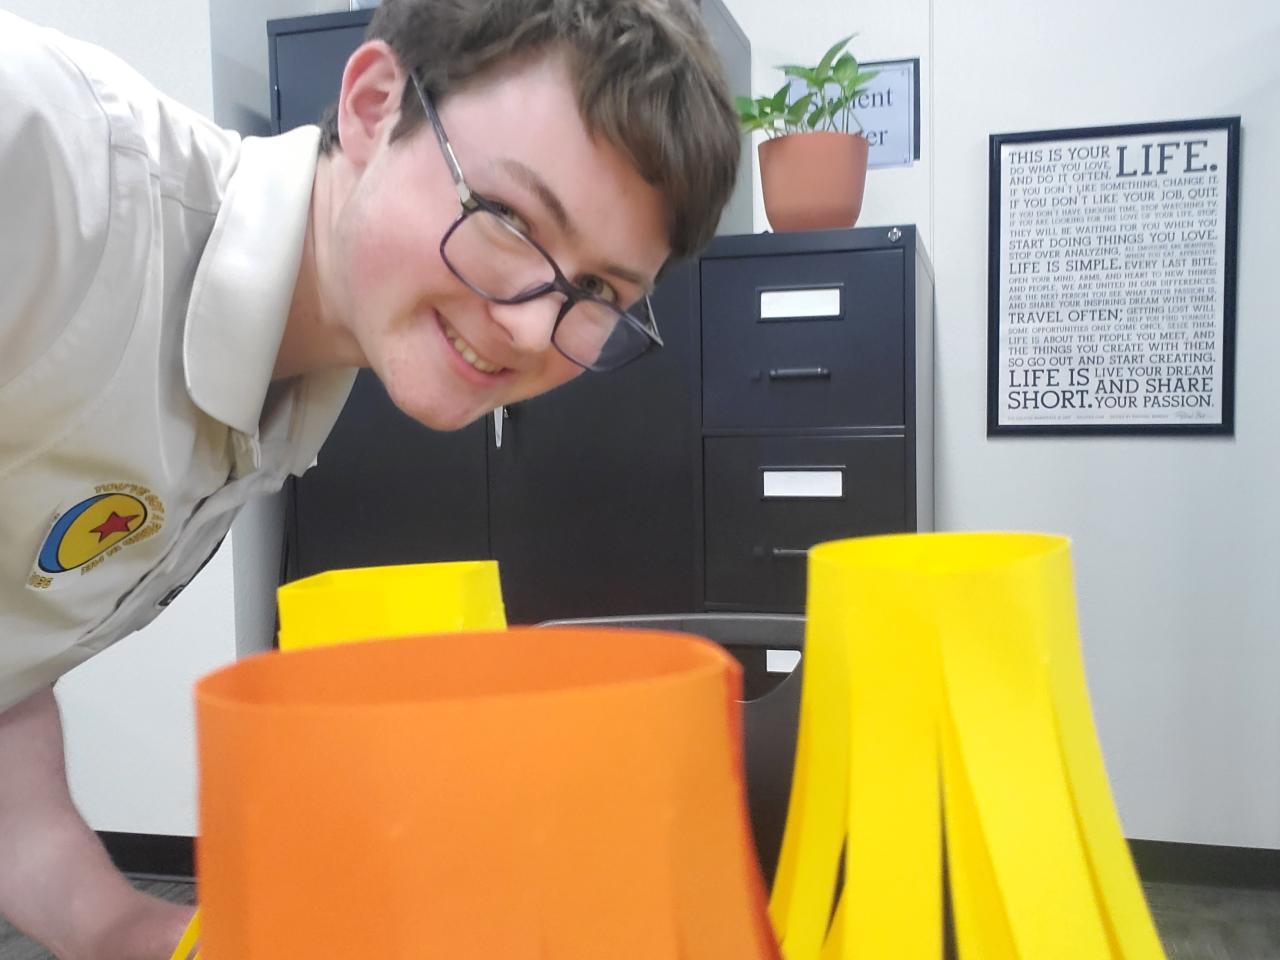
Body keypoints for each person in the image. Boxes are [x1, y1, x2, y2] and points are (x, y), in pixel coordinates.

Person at [0, 0, 741, 955]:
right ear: (373, 103)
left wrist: (114, 925)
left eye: (598, 291)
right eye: (509, 218)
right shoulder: (51, 161)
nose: (530, 327)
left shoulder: (282, 397)